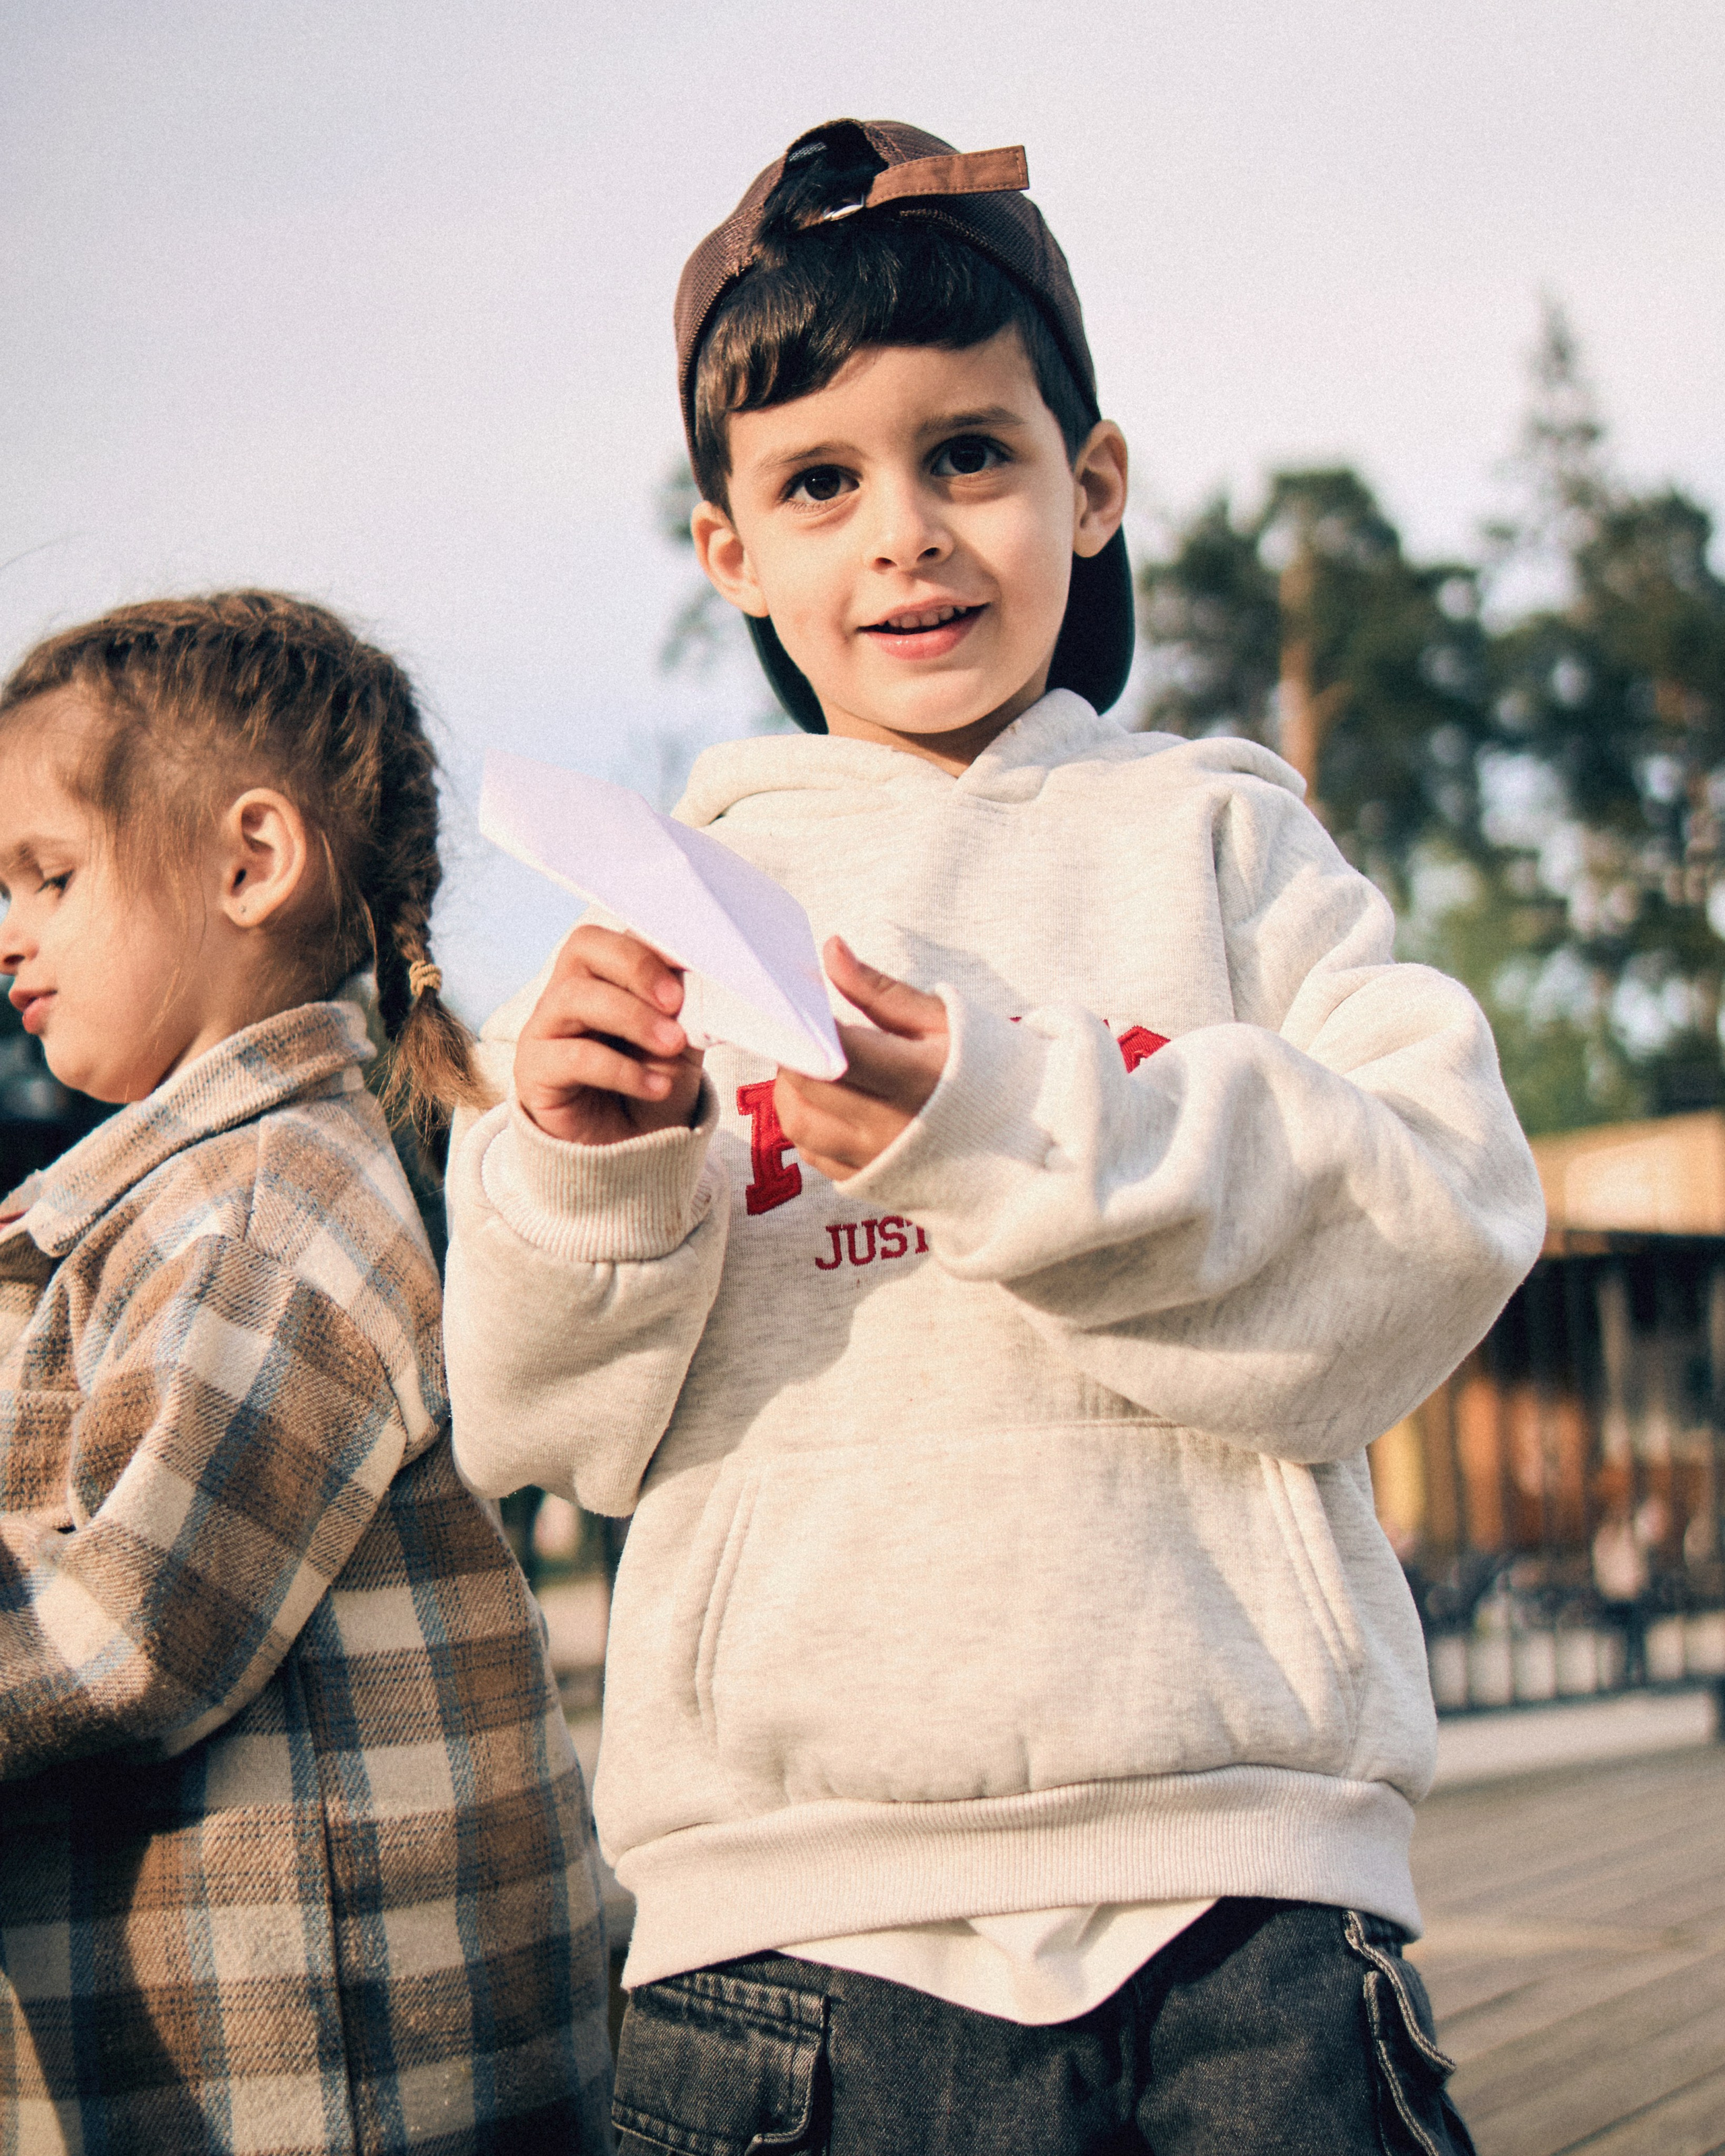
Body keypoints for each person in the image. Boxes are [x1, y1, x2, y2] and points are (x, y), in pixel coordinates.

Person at [443, 121, 1546, 2153]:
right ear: (731, 552)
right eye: (820, 483)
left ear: (1091, 485)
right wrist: (581, 1173)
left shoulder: (1229, 840)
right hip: (791, 1950)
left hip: (1251, 1915)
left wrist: (1003, 1114)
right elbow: (537, 1426)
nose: (905, 535)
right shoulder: (661, 919)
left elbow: (1448, 1211)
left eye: (971, 453)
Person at [0, 596, 613, 2153]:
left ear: (251, 861)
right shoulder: (176, 1209)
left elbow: (128, 1631)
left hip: (328, 2079)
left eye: (48, 876)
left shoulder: (265, 1215)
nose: (8, 930)